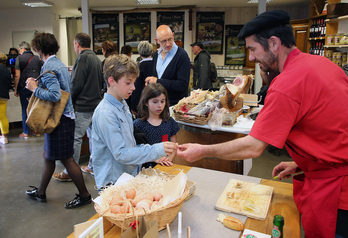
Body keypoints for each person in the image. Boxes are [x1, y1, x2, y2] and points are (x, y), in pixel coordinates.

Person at [177, 10, 348, 238]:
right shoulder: (321, 64)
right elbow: (332, 129)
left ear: (274, 44)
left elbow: (253, 147)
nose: (251, 58)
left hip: (337, 193)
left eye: (252, 49)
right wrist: (304, 163)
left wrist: (203, 151)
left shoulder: (287, 83)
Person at [25, 33, 91, 208]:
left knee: (67, 160)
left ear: (38, 49)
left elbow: (55, 96)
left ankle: (84, 195)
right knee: (49, 157)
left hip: (58, 121)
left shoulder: (49, 68)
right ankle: (41, 192)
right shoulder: (57, 64)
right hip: (64, 119)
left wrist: (34, 89)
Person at [91, 54, 177, 190]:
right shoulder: (105, 113)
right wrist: (157, 149)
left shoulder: (122, 104)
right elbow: (121, 154)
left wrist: (155, 153)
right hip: (113, 183)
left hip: (128, 176)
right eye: (128, 82)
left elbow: (130, 146)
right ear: (112, 81)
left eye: (134, 82)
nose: (133, 87)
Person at [52, 33, 103, 181]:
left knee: (75, 138)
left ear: (77, 44)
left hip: (82, 106)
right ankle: (93, 166)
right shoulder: (96, 58)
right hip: (95, 105)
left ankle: (69, 172)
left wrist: (69, 101)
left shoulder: (83, 58)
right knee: (95, 138)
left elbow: (76, 84)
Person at [134, 83, 179, 169]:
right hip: (146, 170)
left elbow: (174, 146)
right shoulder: (138, 125)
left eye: (162, 101)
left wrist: (168, 160)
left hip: (166, 167)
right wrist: (155, 159)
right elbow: (137, 150)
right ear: (146, 102)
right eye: (155, 102)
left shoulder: (169, 122)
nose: (160, 105)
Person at [145, 25, 190, 106]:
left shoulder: (182, 55)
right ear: (157, 41)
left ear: (173, 35)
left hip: (176, 106)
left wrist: (157, 81)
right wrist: (151, 82)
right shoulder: (156, 55)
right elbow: (157, 77)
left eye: (170, 39)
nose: (168, 44)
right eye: (164, 41)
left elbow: (182, 85)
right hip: (159, 105)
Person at [14, 41, 43, 138]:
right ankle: (36, 130)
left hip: (24, 87)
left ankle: (26, 132)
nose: (19, 52)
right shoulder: (37, 58)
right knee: (35, 108)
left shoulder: (19, 58)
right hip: (36, 87)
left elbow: (17, 75)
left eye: (19, 50)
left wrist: (16, 89)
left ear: (23, 48)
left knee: (25, 109)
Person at [131, 41, 153, 115]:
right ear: (151, 52)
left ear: (139, 54)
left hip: (143, 102)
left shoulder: (138, 68)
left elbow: (136, 88)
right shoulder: (157, 65)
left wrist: (133, 106)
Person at [0, 53, 12, 144]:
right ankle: (4, 137)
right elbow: (9, 84)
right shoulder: (7, 71)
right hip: (3, 96)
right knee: (3, 117)